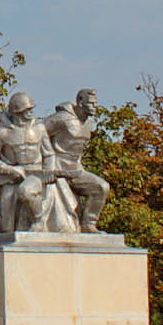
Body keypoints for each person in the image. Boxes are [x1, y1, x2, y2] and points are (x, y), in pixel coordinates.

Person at [0, 92, 73, 233]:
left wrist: (47, 174)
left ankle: (38, 220)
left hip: (35, 175)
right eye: (26, 110)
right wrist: (9, 170)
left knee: (26, 192)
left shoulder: (39, 129)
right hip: (11, 177)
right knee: (6, 228)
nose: (30, 113)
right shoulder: (2, 133)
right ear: (17, 112)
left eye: (31, 109)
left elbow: (49, 154)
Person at [43, 89, 110, 233]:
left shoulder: (87, 122)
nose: (95, 107)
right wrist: (46, 162)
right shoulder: (62, 118)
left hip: (76, 170)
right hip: (58, 168)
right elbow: (37, 134)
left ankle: (89, 224)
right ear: (80, 103)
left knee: (101, 187)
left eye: (95, 103)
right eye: (91, 104)